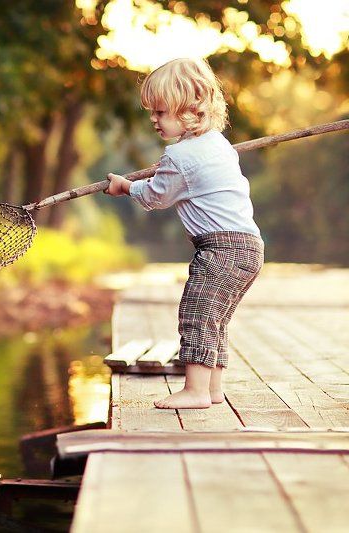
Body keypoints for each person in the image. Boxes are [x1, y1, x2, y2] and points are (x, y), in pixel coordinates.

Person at [104, 57, 264, 409]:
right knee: (215, 318)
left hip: (221, 247)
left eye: (161, 112)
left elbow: (156, 196)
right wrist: (158, 173)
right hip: (248, 246)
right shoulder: (217, 144)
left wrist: (125, 187)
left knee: (197, 313)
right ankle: (211, 389)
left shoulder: (181, 157)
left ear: (190, 110)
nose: (154, 119)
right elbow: (174, 181)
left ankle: (195, 391)